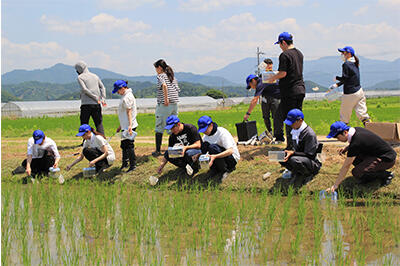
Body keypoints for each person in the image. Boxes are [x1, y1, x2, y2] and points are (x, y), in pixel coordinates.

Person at [326, 121, 396, 193]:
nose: (338, 139)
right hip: (376, 154)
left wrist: (335, 185)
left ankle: (386, 175)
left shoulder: (356, 143)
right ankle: (368, 174)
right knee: (356, 161)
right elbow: (359, 142)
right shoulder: (356, 130)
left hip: (386, 159)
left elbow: (346, 166)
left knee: (357, 172)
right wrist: (346, 148)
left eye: (337, 137)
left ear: (345, 132)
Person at [266, 32, 306, 150]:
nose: (280, 46)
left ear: (283, 42)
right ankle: (298, 143)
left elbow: (283, 73)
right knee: (295, 117)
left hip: (290, 91)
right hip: (300, 89)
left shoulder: (284, 55)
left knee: (290, 119)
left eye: (280, 44)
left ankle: (291, 146)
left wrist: (271, 78)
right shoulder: (299, 53)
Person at [329, 46, 370, 125]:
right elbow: (349, 78)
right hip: (359, 91)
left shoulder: (346, 64)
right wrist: (337, 84)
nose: (342, 55)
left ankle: (344, 134)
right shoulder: (355, 63)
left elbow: (345, 78)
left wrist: (336, 78)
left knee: (344, 115)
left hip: (350, 93)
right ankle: (372, 130)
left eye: (343, 53)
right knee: (362, 114)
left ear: (349, 54)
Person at [279, 109, 322, 185]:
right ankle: (297, 172)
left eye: (292, 122)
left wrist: (293, 153)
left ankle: (307, 174)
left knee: (294, 160)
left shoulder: (309, 134)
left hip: (311, 162)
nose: (290, 125)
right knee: (279, 155)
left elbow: (310, 155)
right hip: (300, 158)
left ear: (300, 120)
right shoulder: (295, 130)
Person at [244, 71, 284, 142]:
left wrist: (248, 113)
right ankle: (270, 134)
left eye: (250, 85)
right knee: (265, 116)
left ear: (253, 80)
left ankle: (279, 137)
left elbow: (255, 100)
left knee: (276, 117)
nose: (252, 88)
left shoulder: (261, 83)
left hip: (276, 97)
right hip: (267, 97)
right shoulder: (261, 82)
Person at [152, 59, 180, 157]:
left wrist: (166, 98)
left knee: (159, 126)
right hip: (175, 104)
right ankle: (176, 148)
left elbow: (164, 86)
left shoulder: (161, 76)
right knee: (173, 126)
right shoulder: (172, 77)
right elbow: (177, 90)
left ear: (159, 68)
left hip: (165, 105)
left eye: (156, 68)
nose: (156, 71)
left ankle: (158, 151)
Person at [197, 116, 240, 180]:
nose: (204, 132)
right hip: (217, 157)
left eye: (205, 129)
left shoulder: (222, 132)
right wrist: (198, 155)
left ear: (211, 125)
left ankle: (226, 170)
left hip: (231, 159)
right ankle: (214, 170)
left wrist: (215, 156)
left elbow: (230, 151)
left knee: (212, 147)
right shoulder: (206, 136)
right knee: (205, 145)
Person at [75, 61, 107, 135]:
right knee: (98, 123)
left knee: (84, 123)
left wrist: (95, 97)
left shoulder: (80, 77)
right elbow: (102, 87)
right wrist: (103, 98)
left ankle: (85, 141)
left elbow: (85, 89)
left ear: (79, 69)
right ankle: (102, 140)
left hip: (86, 104)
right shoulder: (95, 76)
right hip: (97, 104)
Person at [113, 80, 138, 173]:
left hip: (129, 126)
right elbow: (123, 114)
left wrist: (130, 126)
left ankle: (133, 165)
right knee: (124, 145)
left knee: (129, 145)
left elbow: (129, 112)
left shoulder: (127, 97)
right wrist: (120, 126)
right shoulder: (125, 96)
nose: (117, 93)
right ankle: (125, 163)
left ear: (122, 88)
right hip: (125, 125)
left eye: (118, 91)